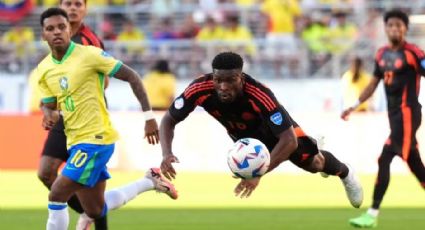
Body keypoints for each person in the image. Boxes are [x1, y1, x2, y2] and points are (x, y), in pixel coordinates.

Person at [159, 51, 363, 206]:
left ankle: (346, 173)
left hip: (276, 133)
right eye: (218, 80)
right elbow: (168, 120)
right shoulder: (199, 89)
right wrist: (166, 153)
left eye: (230, 80)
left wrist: (259, 174)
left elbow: (289, 140)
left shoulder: (259, 94)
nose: (223, 86)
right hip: (245, 138)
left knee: (314, 164)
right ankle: (314, 145)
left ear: (241, 77)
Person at [36, 8, 177, 230]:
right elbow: (50, 104)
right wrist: (48, 114)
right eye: (50, 29)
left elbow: (132, 76)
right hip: (74, 140)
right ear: (43, 35)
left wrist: (149, 117)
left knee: (57, 193)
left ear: (69, 29)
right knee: (94, 209)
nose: (57, 32)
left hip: (96, 140)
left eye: (61, 27)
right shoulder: (44, 69)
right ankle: (149, 182)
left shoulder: (89, 55)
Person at [343, 10, 425, 228]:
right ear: (385, 28)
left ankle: (372, 213)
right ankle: (372, 214)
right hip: (395, 116)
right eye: (391, 25)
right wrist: (353, 105)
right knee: (416, 166)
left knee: (385, 157)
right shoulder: (381, 54)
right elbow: (372, 84)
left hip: (408, 114)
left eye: (399, 25)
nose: (394, 29)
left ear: (405, 29)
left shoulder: (414, 53)